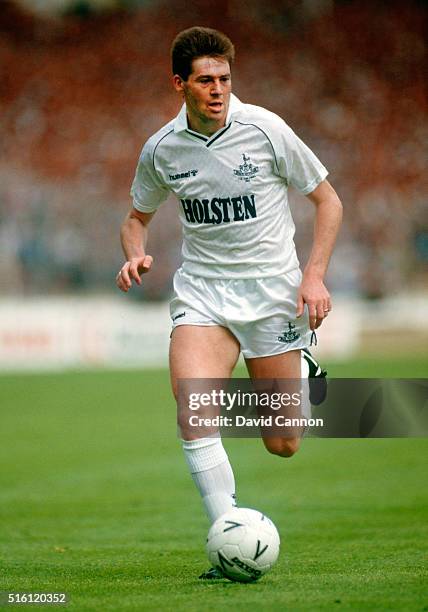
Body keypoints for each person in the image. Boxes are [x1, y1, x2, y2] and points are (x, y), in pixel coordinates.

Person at [116, 26, 342, 578]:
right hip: (204, 297)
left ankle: (301, 363)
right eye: (205, 80)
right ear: (179, 85)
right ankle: (228, 538)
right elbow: (135, 218)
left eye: (224, 78)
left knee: (283, 442)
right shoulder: (162, 149)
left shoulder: (265, 129)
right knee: (194, 410)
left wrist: (313, 276)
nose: (218, 89)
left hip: (271, 296)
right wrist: (135, 255)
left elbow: (327, 200)